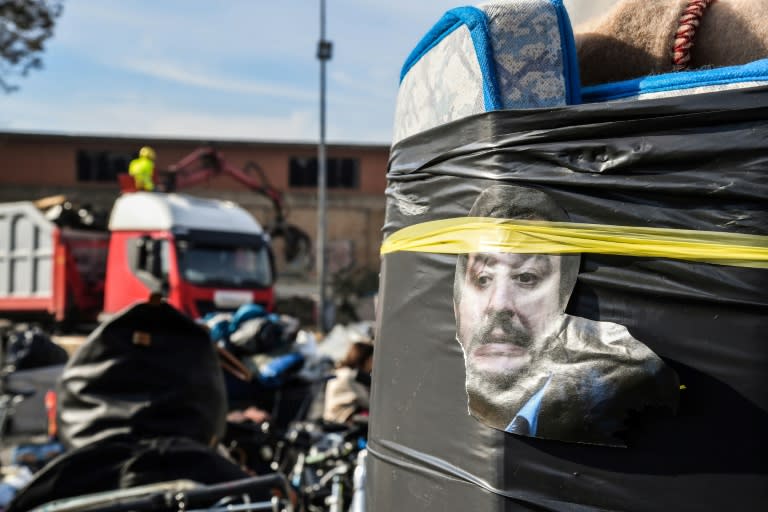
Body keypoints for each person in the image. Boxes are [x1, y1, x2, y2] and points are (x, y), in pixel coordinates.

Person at [453, 184, 679, 445]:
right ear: (457, 302)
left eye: (526, 277)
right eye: (482, 279)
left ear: (564, 297)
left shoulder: (627, 389)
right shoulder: (427, 400)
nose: (499, 304)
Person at [323, 341, 374, 424]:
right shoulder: (352, 376)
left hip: (332, 418)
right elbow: (367, 402)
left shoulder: (340, 372)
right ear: (365, 358)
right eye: (372, 359)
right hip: (341, 420)